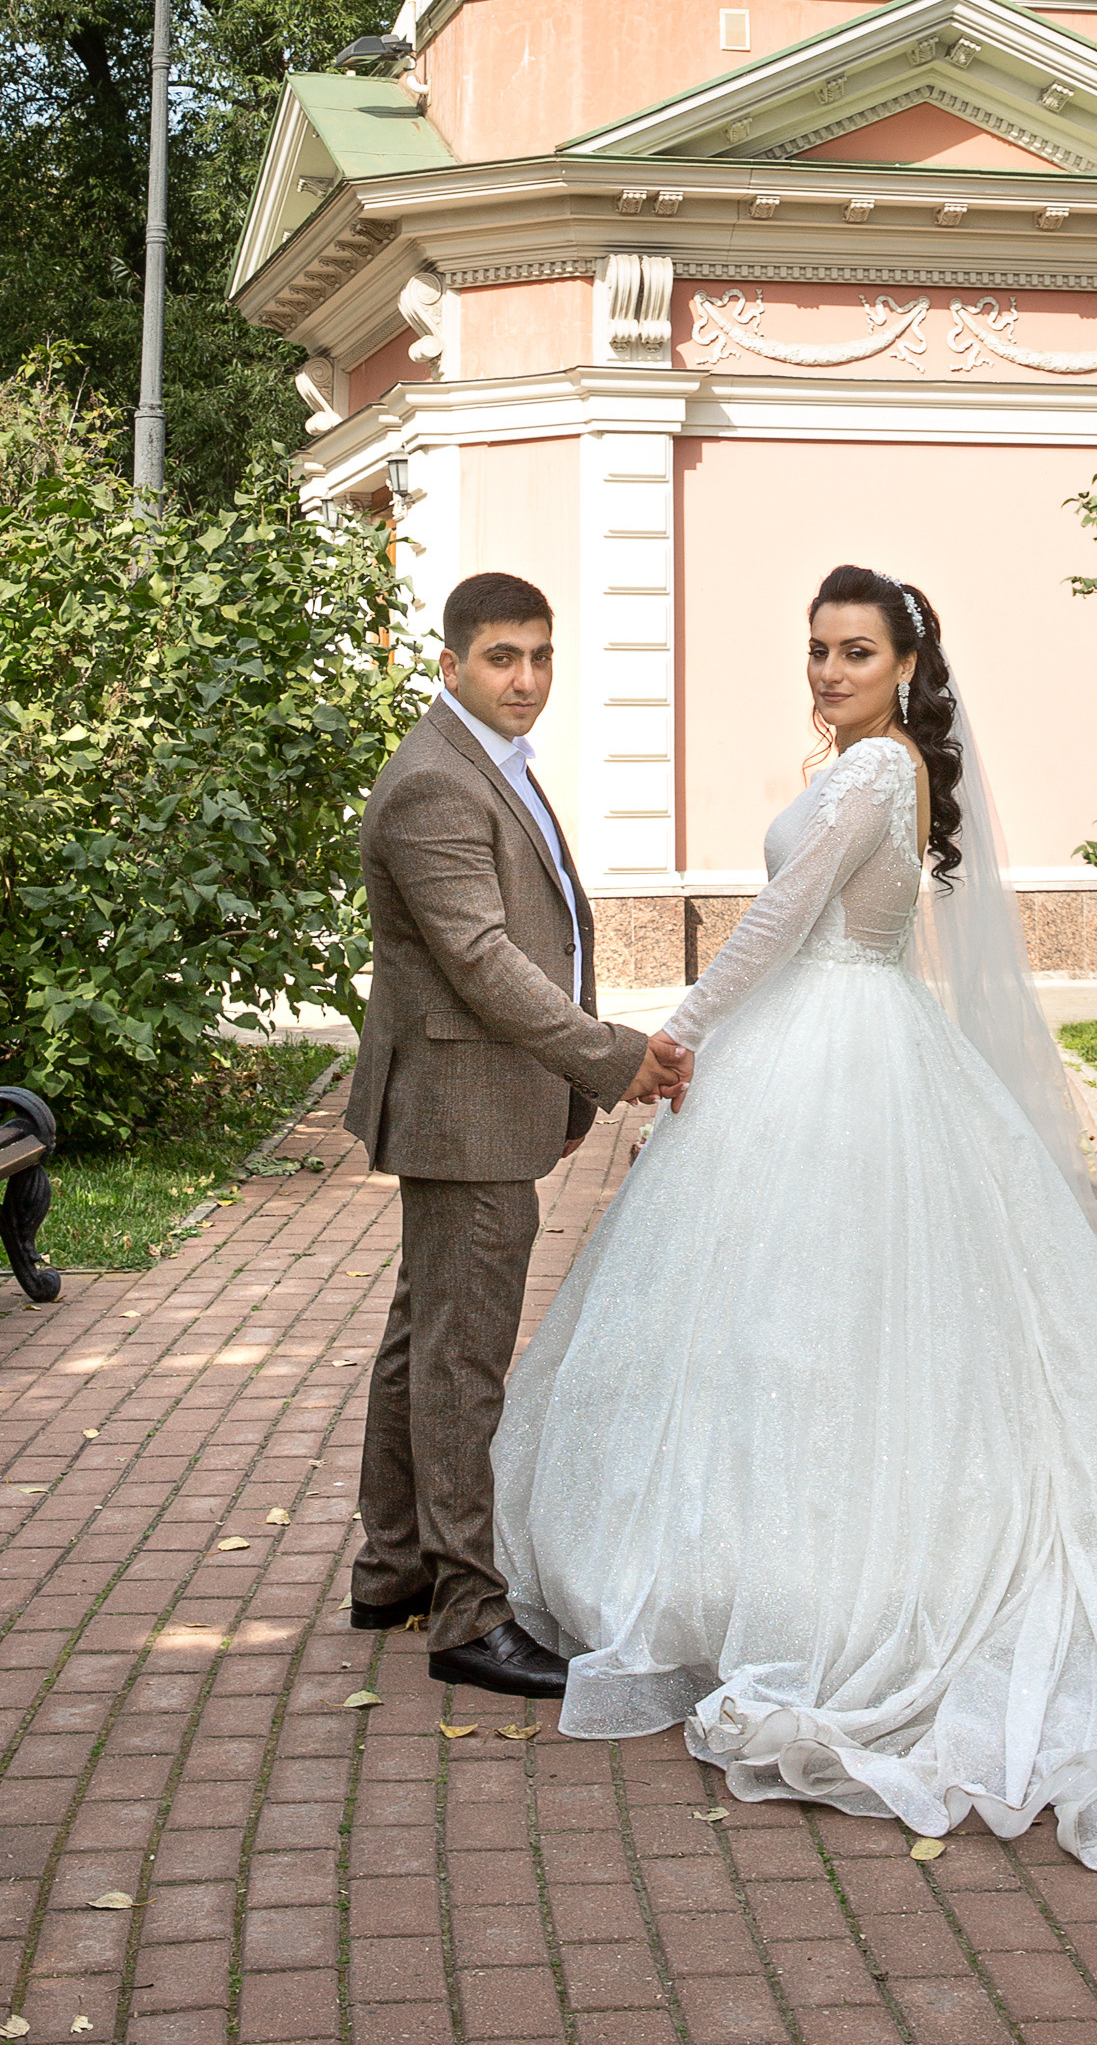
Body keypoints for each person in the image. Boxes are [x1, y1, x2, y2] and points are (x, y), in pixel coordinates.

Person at [493, 563, 1097, 1869]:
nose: (830, 672)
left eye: (854, 652)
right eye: (817, 651)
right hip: (838, 1044)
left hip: (840, 1052)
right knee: (794, 1326)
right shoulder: (868, 767)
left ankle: (839, 1587)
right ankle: (755, 1571)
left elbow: (782, 922)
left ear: (906, 663)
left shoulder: (872, 775)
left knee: (836, 1317)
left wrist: (667, 1036)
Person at [345, 568, 691, 1701]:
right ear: (450, 665)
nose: (527, 679)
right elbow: (484, 962)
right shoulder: (435, 785)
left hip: (470, 1102)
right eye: (502, 658)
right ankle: (466, 1612)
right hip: (467, 1107)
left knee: (424, 1336)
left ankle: (394, 1563)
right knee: (460, 1358)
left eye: (541, 656)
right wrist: (608, 1053)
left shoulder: (486, 765)